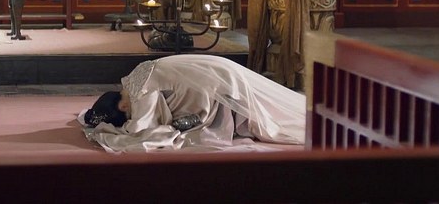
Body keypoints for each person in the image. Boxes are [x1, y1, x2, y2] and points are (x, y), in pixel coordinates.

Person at [82, 54, 305, 152]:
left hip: (218, 82)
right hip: (217, 69)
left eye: (125, 115)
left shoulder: (138, 93)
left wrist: (110, 133)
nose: (129, 116)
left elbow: (142, 130)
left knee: (268, 125)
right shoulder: (135, 75)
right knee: (273, 112)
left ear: (122, 106)